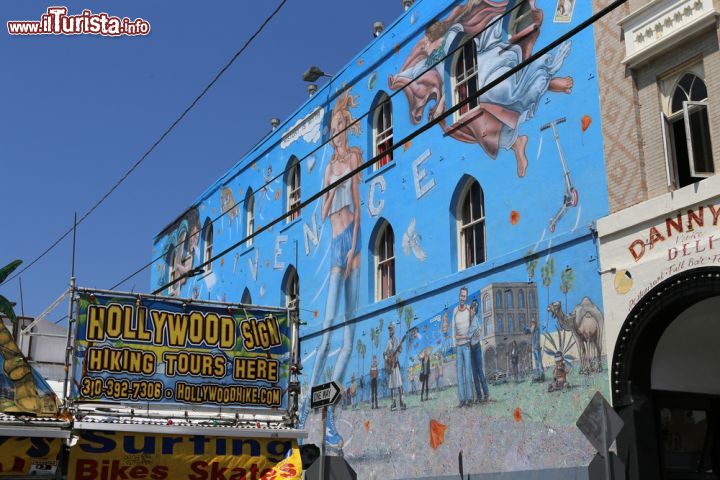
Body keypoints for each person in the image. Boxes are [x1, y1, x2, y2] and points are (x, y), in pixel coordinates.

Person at [388, 0, 574, 178]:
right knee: (484, 127)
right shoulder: (430, 61)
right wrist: (397, 78)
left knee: (503, 89)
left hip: (480, 68)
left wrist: (440, 105)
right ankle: (517, 141)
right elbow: (418, 72)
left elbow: (458, 62)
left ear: (430, 37)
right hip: (466, 94)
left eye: (425, 44)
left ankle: (545, 79)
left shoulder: (452, 35)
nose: (424, 48)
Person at [298, 89, 363, 450]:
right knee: (326, 338)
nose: (338, 132)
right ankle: (308, 408)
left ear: (348, 128)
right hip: (335, 247)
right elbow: (324, 210)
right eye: (334, 128)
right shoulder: (328, 167)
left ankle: (330, 413)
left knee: (349, 343)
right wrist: (325, 195)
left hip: (350, 244)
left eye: (341, 126)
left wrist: (356, 246)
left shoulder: (354, 158)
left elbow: (356, 202)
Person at [452, 287, 474, 407]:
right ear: (459, 296)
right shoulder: (455, 310)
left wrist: (466, 337)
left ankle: (470, 398)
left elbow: (472, 327)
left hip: (466, 346)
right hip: (458, 347)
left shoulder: (469, 310)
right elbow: (453, 329)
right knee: (459, 373)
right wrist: (456, 340)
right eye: (461, 296)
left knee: (467, 372)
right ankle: (462, 399)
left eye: (464, 296)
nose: (462, 298)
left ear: (466, 298)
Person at [469, 299, 490, 402]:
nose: (473, 312)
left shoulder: (475, 320)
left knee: (480, 371)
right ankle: (479, 396)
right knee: (474, 373)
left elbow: (478, 330)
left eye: (474, 311)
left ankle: (486, 393)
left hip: (476, 347)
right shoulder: (467, 321)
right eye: (472, 310)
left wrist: (478, 332)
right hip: (470, 348)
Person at [384, 323, 406, 410]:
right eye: (389, 329)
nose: (390, 330)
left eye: (391, 329)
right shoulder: (388, 341)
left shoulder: (396, 340)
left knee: (399, 383)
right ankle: (393, 404)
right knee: (392, 385)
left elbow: (400, 350)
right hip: (390, 366)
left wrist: (397, 352)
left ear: (394, 330)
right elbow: (384, 353)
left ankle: (401, 402)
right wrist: (388, 358)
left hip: (395, 364)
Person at [528, 317, 545, 381]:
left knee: (539, 361)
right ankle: (538, 375)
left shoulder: (537, 329)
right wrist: (531, 346)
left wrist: (535, 346)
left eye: (533, 322)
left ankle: (542, 375)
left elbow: (537, 339)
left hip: (536, 347)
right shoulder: (532, 330)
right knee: (536, 362)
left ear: (535, 323)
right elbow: (531, 338)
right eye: (532, 322)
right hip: (533, 347)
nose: (532, 323)